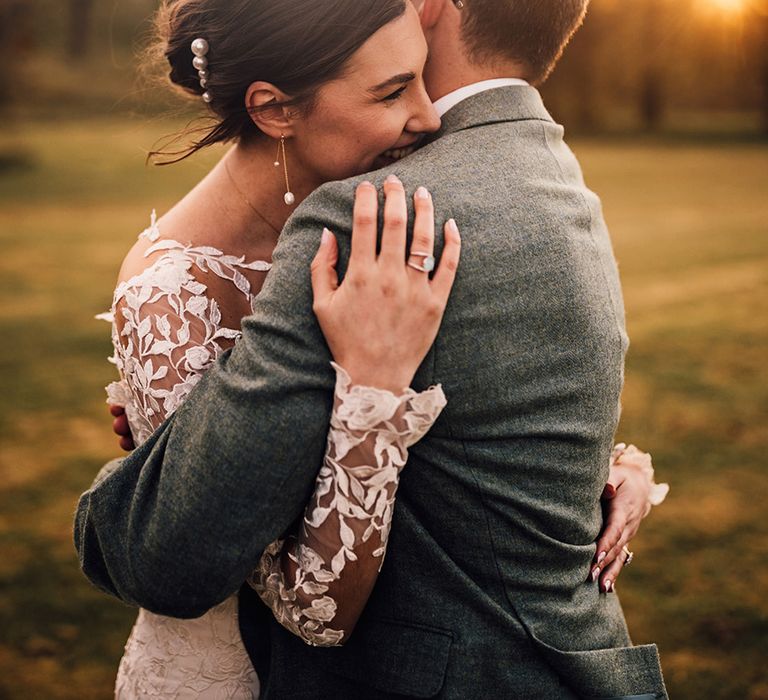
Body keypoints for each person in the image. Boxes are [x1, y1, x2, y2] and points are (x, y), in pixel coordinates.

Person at [76, 0, 669, 698]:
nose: (426, 118)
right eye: (392, 90)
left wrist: (597, 465)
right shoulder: (183, 281)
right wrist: (160, 460)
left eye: (417, 79)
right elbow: (184, 550)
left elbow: (488, 391)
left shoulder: (382, 216)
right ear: (275, 110)